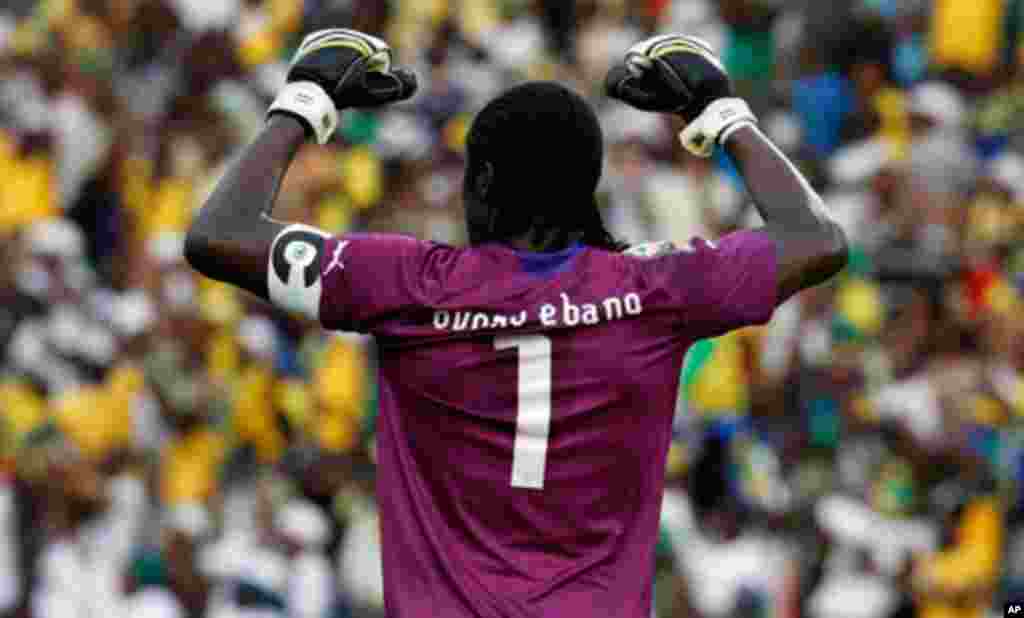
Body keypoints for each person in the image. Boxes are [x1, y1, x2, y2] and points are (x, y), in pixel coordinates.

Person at [185, 28, 847, 618]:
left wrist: (304, 100)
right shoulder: (656, 292)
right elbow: (816, 239)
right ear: (586, 189)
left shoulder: (405, 285)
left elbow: (219, 234)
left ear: (482, 182)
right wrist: (720, 112)